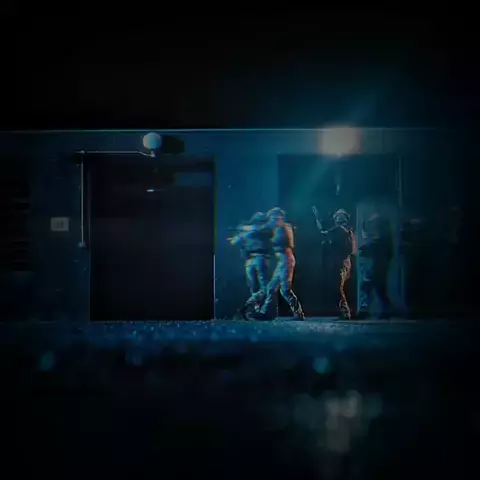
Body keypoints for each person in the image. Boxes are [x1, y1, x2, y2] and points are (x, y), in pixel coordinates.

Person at [242, 207, 305, 321]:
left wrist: (249, 230)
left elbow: (265, 232)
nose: (272, 220)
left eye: (274, 217)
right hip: (282, 261)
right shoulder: (278, 227)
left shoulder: (284, 227)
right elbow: (261, 229)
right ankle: (265, 313)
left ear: (279, 217)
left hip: (286, 260)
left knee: (285, 290)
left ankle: (298, 314)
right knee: (271, 288)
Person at [312, 206, 356, 320]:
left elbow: (323, 233)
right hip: (346, 261)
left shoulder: (339, 230)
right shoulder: (349, 231)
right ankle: (346, 311)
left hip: (341, 262)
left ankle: (346, 312)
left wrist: (317, 219)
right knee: (340, 287)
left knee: (338, 287)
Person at [227, 212, 272, 319]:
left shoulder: (257, 230)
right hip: (255, 259)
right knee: (257, 287)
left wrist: (242, 229)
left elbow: (235, 241)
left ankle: (252, 309)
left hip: (255, 259)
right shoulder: (254, 230)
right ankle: (254, 310)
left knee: (259, 288)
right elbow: (234, 241)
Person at [357, 212, 394, 319]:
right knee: (377, 289)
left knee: (372, 288)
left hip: (378, 266)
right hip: (378, 265)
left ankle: (369, 310)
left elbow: (377, 248)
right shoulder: (384, 237)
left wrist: (366, 249)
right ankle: (384, 311)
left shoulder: (383, 238)